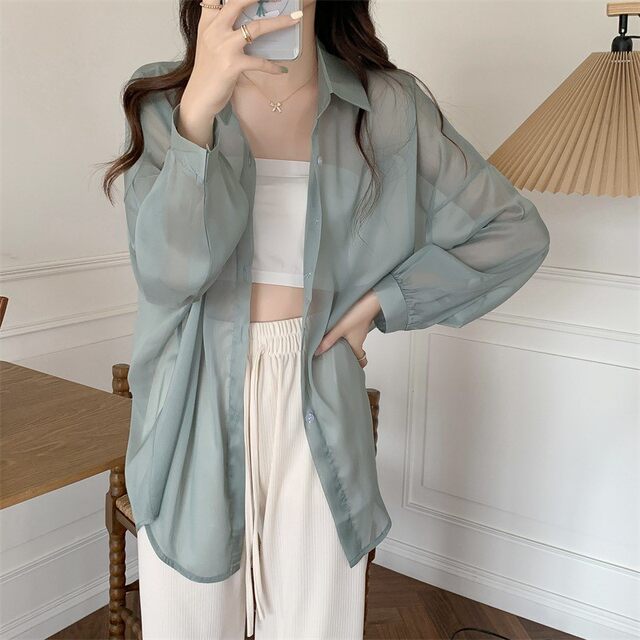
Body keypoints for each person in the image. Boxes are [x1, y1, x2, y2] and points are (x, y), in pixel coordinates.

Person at [102, 0, 551, 637]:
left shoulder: (387, 107)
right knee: (191, 623)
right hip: (191, 391)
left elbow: (513, 232)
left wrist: (381, 304)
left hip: (317, 384)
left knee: (316, 621)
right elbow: (167, 274)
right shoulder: (166, 99)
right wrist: (199, 108)